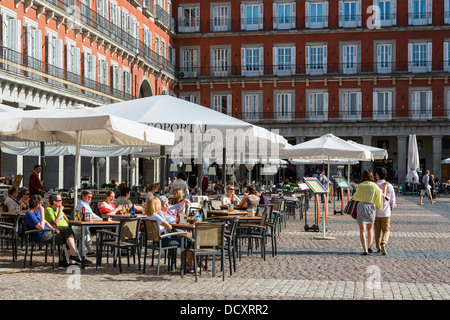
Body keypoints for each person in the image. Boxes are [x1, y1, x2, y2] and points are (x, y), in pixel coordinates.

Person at [25, 195, 82, 266]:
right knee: (68, 235)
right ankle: (72, 258)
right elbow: (41, 227)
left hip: (48, 231)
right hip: (41, 235)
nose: (42, 206)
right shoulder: (29, 214)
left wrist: (52, 228)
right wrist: (42, 212)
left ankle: (72, 258)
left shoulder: (37, 211)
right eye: (41, 204)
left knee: (68, 231)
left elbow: (45, 221)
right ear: (38, 205)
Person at [144, 196, 195, 272]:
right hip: (164, 239)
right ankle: (190, 266)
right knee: (188, 242)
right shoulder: (157, 216)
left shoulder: (149, 216)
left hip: (157, 240)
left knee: (185, 240)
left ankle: (187, 265)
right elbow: (169, 227)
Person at [45, 193, 96, 259]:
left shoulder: (57, 208)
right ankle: (80, 256)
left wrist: (71, 221)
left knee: (84, 229)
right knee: (81, 234)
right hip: (60, 231)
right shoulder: (49, 210)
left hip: (68, 228)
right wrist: (60, 211)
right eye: (60, 200)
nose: (62, 202)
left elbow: (66, 219)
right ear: (54, 202)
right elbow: (56, 223)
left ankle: (87, 251)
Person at [352, 170, 384, 255]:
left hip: (361, 207)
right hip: (371, 207)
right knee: (370, 229)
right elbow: (379, 196)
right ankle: (369, 247)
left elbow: (355, 197)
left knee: (362, 230)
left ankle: (365, 250)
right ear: (371, 176)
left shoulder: (360, 186)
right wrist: (379, 206)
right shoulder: (375, 186)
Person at [375, 168, 397, 256]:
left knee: (377, 231)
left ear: (377, 175)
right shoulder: (389, 185)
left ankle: (378, 247)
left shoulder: (375, 185)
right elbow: (392, 198)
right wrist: (392, 205)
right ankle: (383, 243)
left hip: (376, 212)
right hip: (386, 212)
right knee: (386, 230)